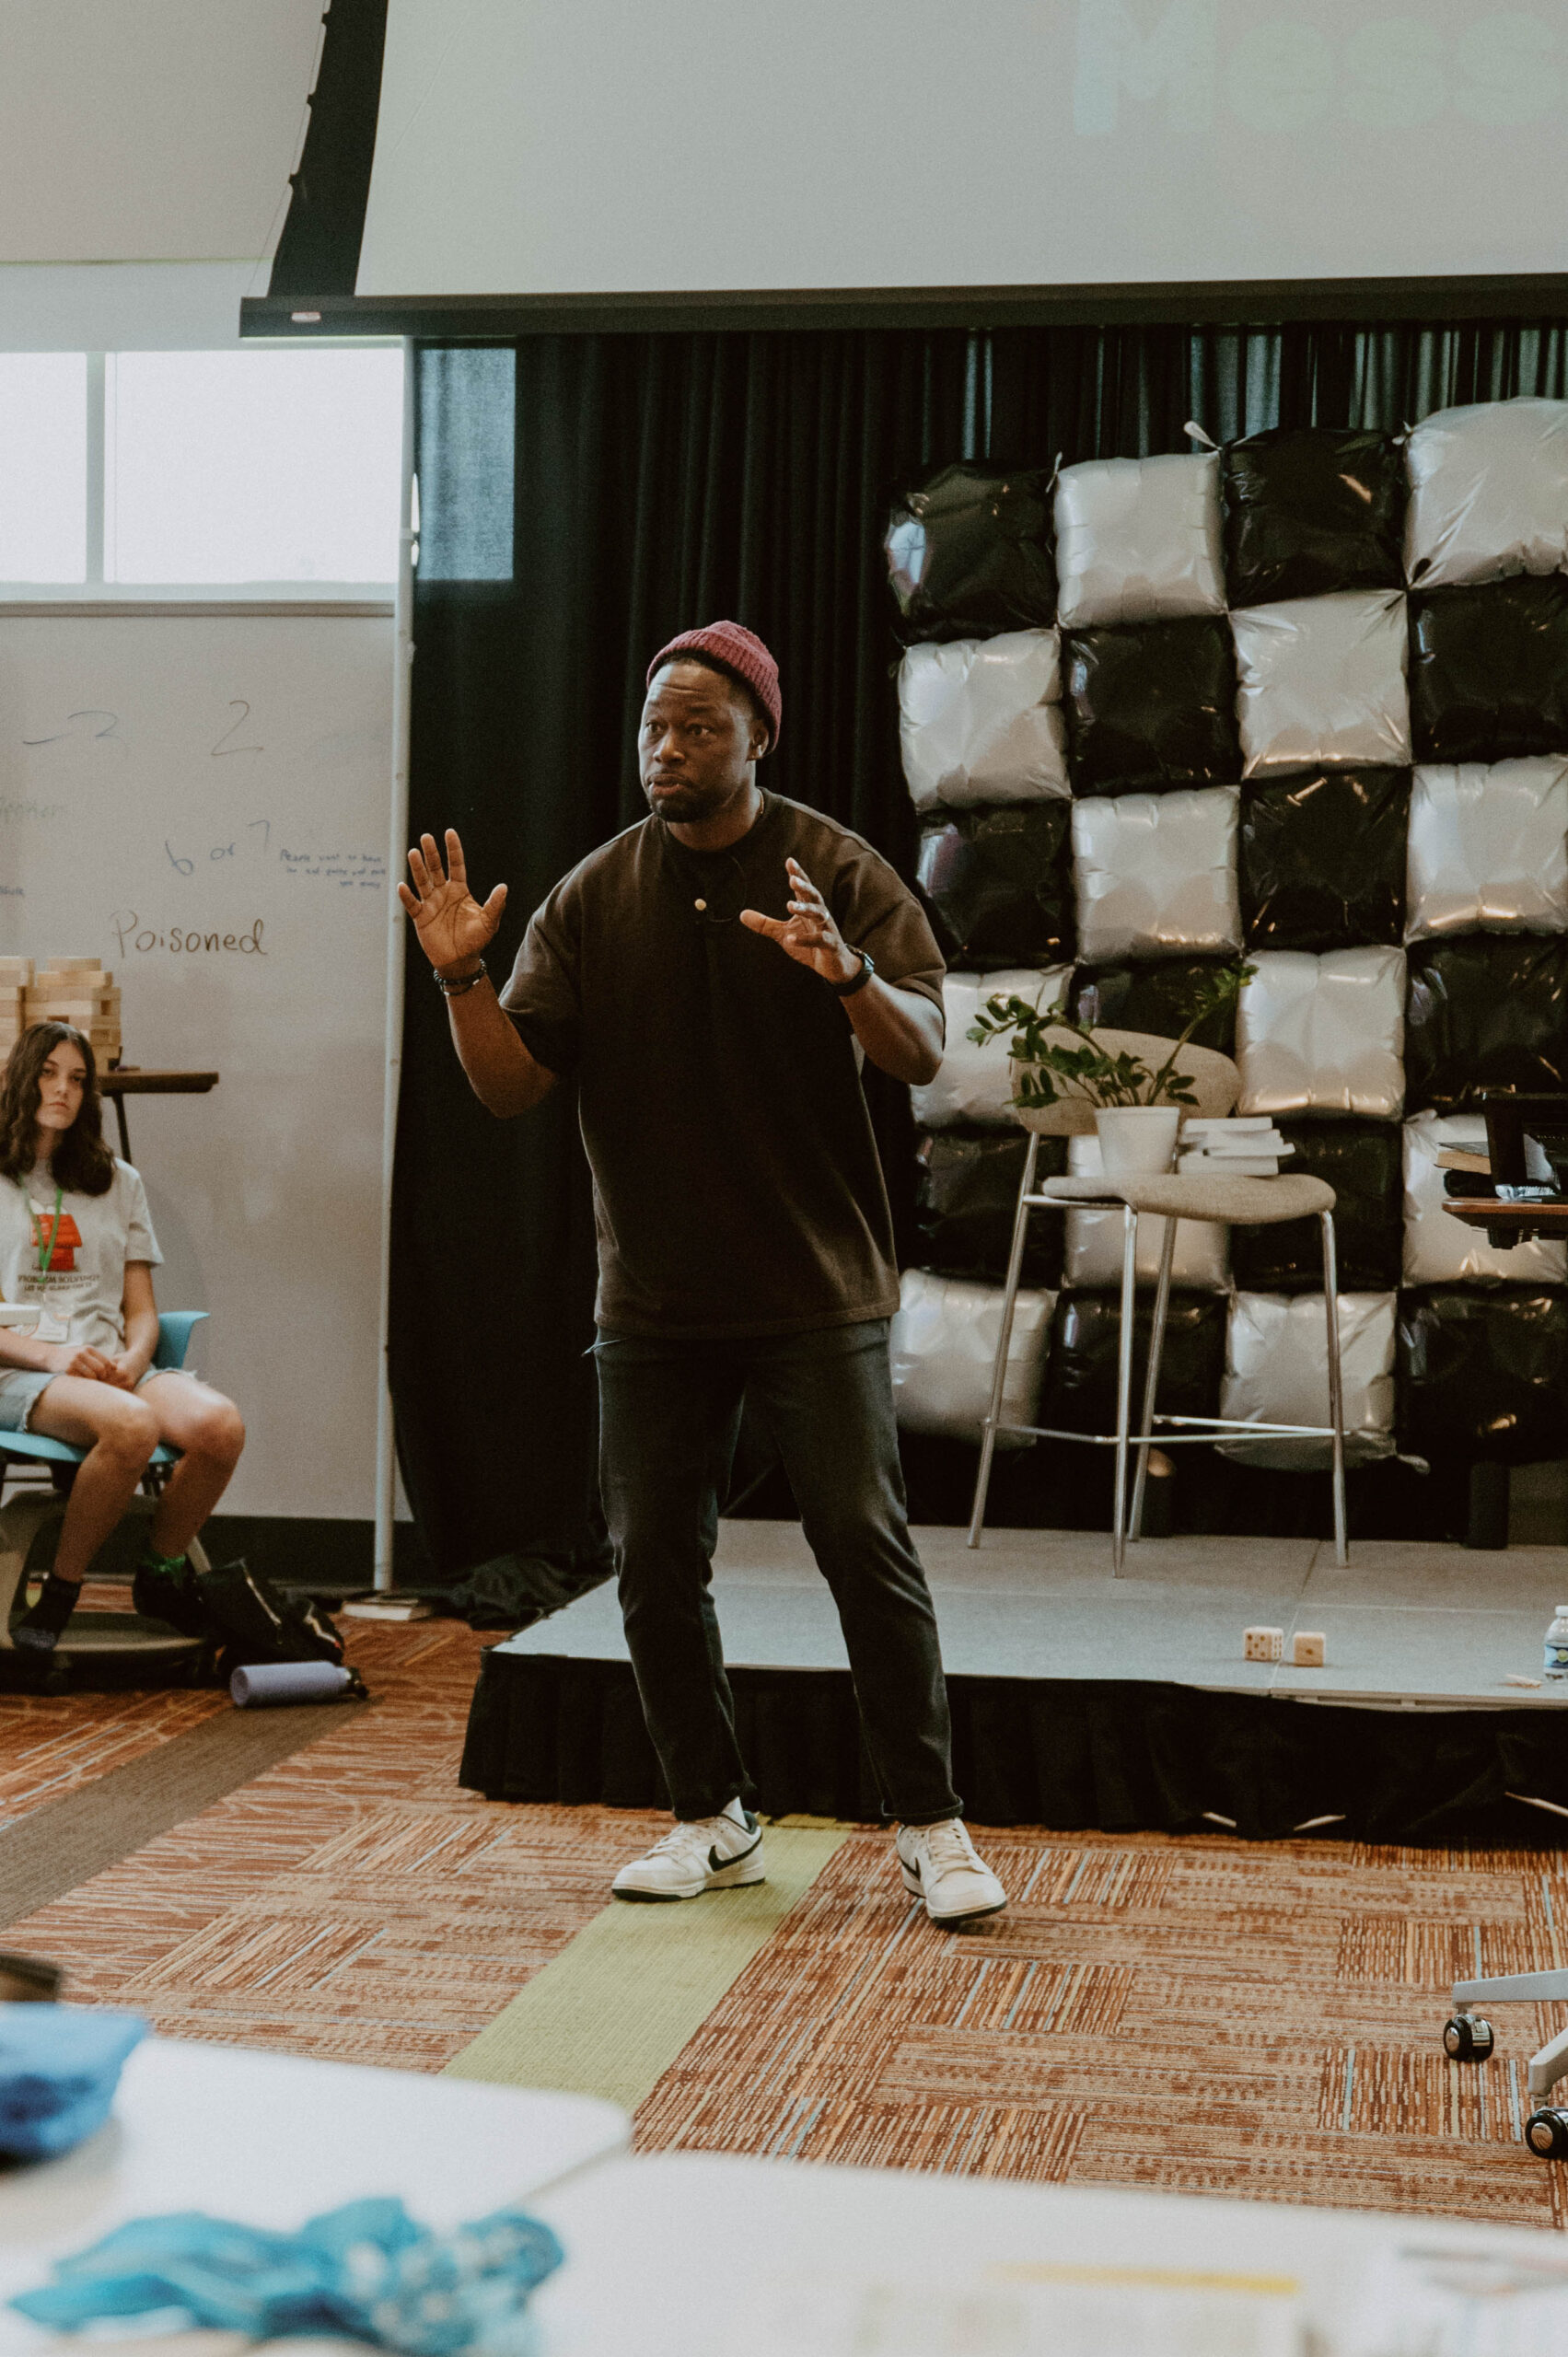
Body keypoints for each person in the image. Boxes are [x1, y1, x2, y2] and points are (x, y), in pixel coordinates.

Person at [400, 620, 1005, 1928]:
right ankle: (708, 1817)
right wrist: (461, 977)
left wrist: (846, 973)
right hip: (655, 1301)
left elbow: (916, 1050)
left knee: (863, 1550)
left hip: (815, 1287)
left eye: (697, 728)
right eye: (652, 727)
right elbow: (507, 1087)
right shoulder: (593, 895)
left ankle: (930, 1825)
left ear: (756, 739)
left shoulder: (833, 867)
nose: (665, 749)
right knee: (654, 1565)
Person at [0, 1023, 245, 1654]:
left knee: (220, 1427)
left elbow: (141, 1310)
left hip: (109, 1365)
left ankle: (160, 1573)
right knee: (133, 1426)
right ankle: (61, 1589)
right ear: (21, 1079)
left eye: (77, 1079)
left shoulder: (118, 1182)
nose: (62, 1089)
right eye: (48, 1073)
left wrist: (135, 1360)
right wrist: (55, 1356)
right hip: (20, 1367)